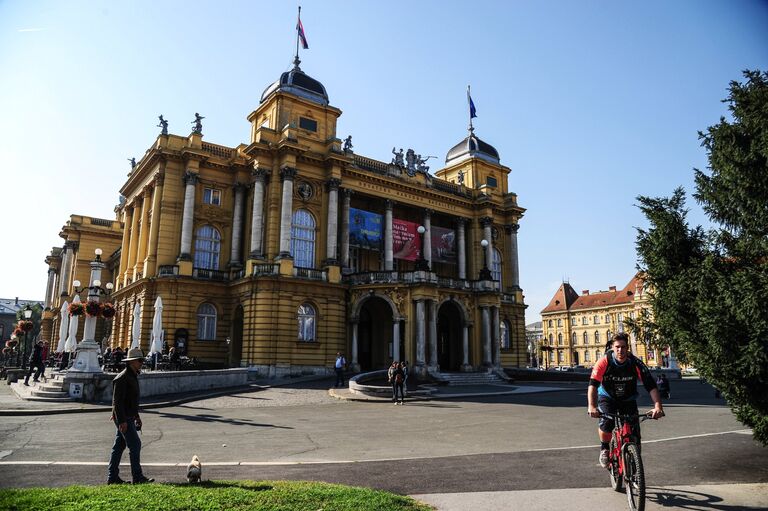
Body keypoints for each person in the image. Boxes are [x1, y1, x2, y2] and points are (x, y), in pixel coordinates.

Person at [587, 333, 664, 468]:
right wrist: (592, 406)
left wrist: (658, 406)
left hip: (628, 399)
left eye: (623, 347)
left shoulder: (635, 363)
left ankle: (634, 461)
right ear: (612, 347)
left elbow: (650, 385)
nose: (620, 350)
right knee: (606, 424)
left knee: (634, 433)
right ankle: (604, 448)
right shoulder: (604, 362)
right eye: (617, 347)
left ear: (627, 348)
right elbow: (593, 385)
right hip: (607, 397)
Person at [107, 347, 154, 485]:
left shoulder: (132, 375)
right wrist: (122, 421)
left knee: (119, 447)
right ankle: (137, 477)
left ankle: (113, 477)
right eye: (140, 360)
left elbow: (131, 400)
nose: (142, 363)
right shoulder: (121, 378)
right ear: (132, 361)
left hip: (128, 416)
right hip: (123, 418)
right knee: (135, 444)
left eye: (142, 360)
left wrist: (136, 416)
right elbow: (117, 402)